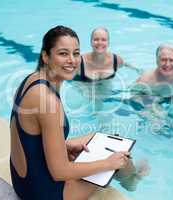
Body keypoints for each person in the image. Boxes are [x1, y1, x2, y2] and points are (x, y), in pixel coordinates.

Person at [10, 25, 148, 200]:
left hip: (21, 181)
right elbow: (60, 172)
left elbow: (29, 137)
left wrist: (64, 146)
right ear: (45, 56)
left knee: (102, 138)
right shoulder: (48, 101)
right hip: (42, 193)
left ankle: (128, 174)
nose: (72, 60)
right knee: (119, 157)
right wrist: (107, 164)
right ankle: (132, 181)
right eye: (63, 53)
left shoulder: (31, 80)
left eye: (76, 53)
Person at [73, 27, 140, 83]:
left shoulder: (116, 60)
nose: (100, 43)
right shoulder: (79, 62)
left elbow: (125, 64)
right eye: (96, 39)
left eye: (103, 40)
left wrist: (139, 70)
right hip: (84, 93)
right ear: (91, 42)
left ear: (108, 43)